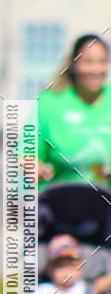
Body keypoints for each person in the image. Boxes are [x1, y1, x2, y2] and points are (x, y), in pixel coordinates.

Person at [37, 33, 111, 187]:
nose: (95, 70)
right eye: (88, 62)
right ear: (74, 64)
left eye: (102, 62)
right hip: (58, 201)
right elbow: (27, 151)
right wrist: (32, 166)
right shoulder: (49, 103)